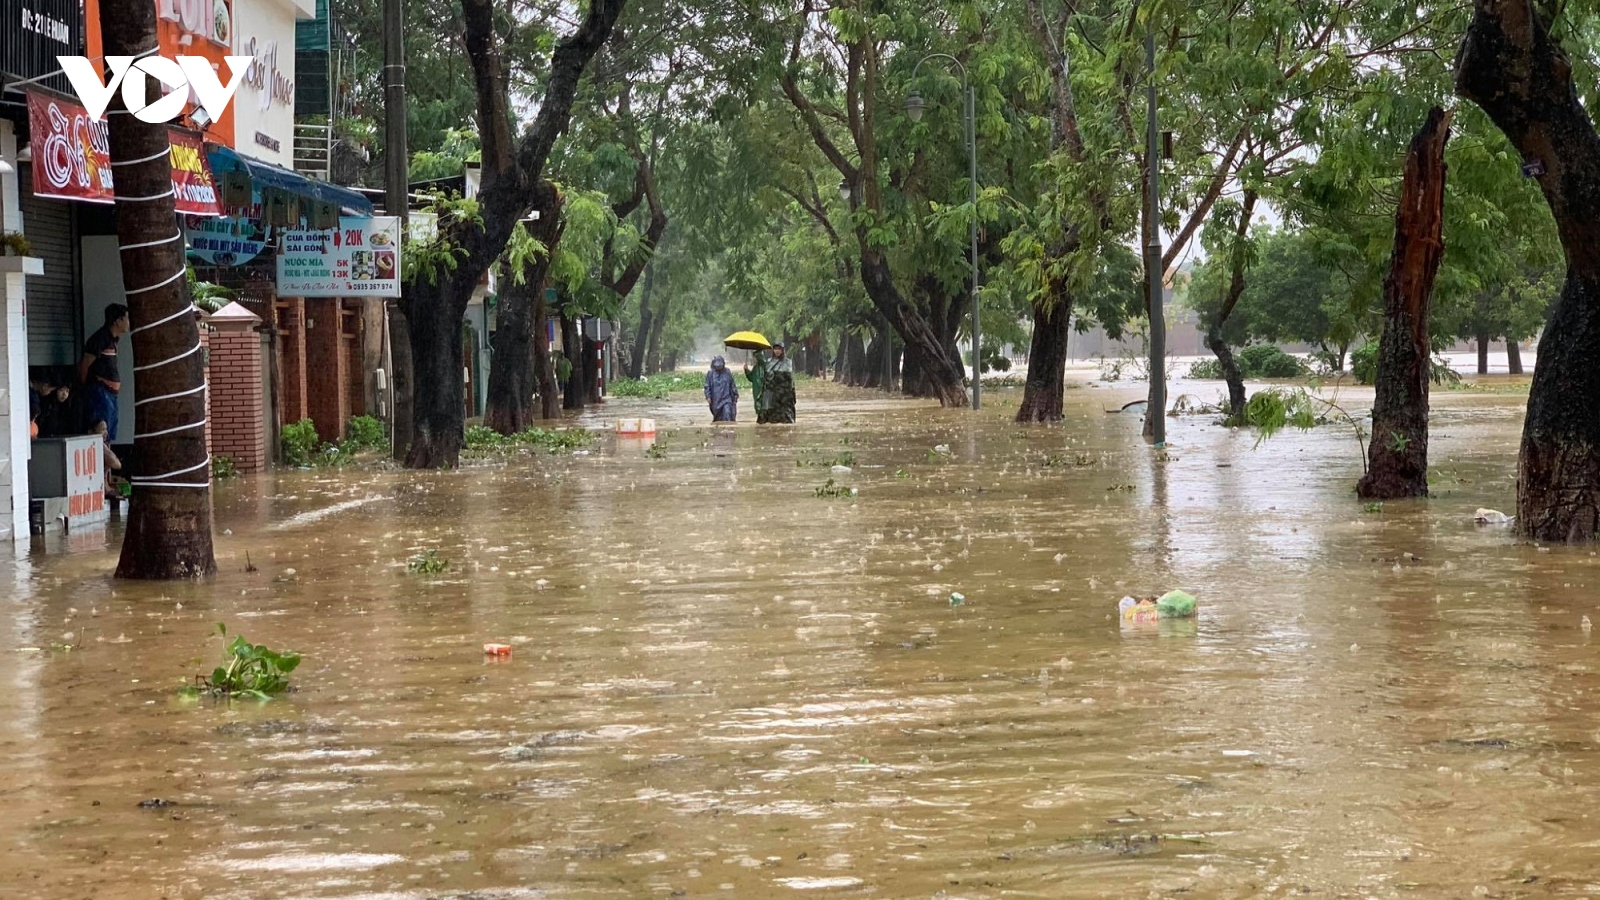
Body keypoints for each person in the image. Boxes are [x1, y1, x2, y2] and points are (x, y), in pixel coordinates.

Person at [80, 304, 129, 444]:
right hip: (100, 391)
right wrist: (86, 385)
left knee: (110, 433)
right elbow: (85, 364)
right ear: (118, 321)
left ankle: (107, 464)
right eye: (126, 319)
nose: (128, 323)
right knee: (101, 430)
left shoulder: (113, 340)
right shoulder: (100, 339)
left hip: (111, 394)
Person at [747, 342, 796, 424]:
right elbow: (762, 378)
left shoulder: (788, 362)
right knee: (767, 417)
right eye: (775, 349)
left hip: (784, 395)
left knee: (786, 418)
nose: (777, 351)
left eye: (779, 349)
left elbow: (790, 380)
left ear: (783, 350)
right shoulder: (768, 362)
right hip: (770, 393)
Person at [704, 356, 739, 422]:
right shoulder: (710, 374)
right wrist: (708, 396)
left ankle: (729, 430)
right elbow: (707, 386)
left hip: (726, 398)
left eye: (720, 366)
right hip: (716, 400)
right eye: (717, 366)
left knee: (727, 413)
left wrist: (735, 394)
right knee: (718, 418)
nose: (718, 367)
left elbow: (732, 384)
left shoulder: (727, 372)